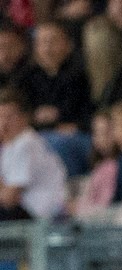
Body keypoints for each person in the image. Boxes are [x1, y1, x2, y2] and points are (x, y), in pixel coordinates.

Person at [20, 20, 92, 177]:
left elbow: (88, 114)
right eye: (42, 42)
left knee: (56, 143)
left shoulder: (80, 74)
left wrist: (73, 125)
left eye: (53, 41)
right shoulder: (25, 77)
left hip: (76, 136)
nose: (47, 48)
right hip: (38, 134)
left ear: (68, 45)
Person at [0, 89, 65, 219]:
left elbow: (9, 198)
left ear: (24, 117)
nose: (4, 123)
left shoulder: (27, 143)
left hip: (42, 215)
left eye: (10, 117)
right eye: (1, 116)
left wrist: (5, 191)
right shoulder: (9, 145)